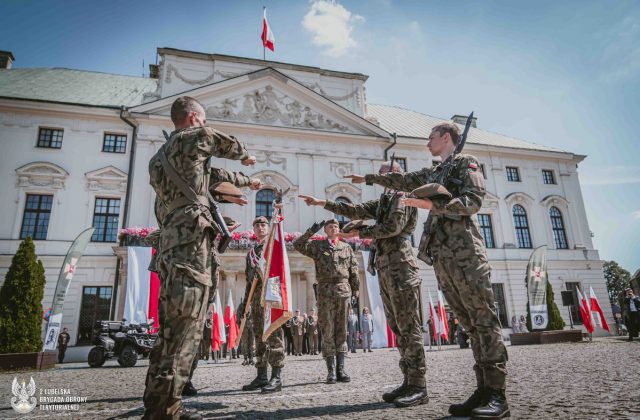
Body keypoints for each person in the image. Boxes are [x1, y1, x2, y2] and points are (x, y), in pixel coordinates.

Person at [343, 121, 509, 418]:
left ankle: (497, 393)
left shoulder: (465, 164)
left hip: (466, 254)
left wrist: (428, 204)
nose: (427, 142)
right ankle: (483, 389)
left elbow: (471, 202)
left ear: (446, 137)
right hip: (443, 256)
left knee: (483, 321)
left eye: (430, 137)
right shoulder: (437, 170)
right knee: (470, 325)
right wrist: (367, 178)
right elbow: (405, 180)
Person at [143, 96, 255, 420]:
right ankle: (166, 411)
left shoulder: (157, 160)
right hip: (191, 253)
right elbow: (215, 140)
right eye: (202, 119)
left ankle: (158, 407)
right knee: (183, 337)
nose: (204, 125)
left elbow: (208, 174)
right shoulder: (195, 136)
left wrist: (243, 184)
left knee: (167, 337)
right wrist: (246, 156)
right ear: (193, 118)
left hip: (170, 251)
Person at [299, 161, 428, 408]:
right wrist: (321, 203)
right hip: (387, 266)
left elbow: (393, 227)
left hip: (401, 265)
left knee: (408, 326)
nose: (382, 180)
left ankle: (419, 385)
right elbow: (356, 209)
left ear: (397, 177)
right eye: (381, 176)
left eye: (386, 176)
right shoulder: (385, 202)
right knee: (399, 328)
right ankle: (409, 380)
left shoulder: (403, 197)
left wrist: (359, 233)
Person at [294, 219, 360, 384]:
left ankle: (341, 369)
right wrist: (311, 231)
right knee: (328, 330)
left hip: (344, 291)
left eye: (336, 226)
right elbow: (298, 244)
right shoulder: (318, 247)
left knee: (342, 330)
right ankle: (331, 371)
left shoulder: (346, 248)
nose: (334, 228)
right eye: (330, 226)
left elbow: (354, 271)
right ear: (325, 230)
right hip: (325, 293)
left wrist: (356, 291)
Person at [239, 216, 286, 393]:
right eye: (257, 225)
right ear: (254, 229)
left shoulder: (274, 247)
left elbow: (279, 270)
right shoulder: (251, 253)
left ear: (268, 228)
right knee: (259, 337)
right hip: (257, 300)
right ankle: (261, 375)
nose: (260, 227)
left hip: (271, 296)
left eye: (263, 224)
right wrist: (245, 305)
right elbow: (249, 281)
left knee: (273, 336)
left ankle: (276, 377)